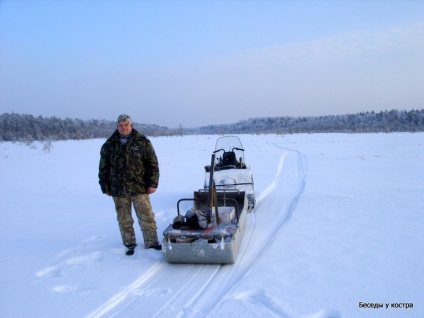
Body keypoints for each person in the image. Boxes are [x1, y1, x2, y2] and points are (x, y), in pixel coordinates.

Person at [98, 114, 162, 255]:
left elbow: (153, 164)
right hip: (118, 189)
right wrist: (105, 186)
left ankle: (151, 242)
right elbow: (103, 168)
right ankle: (129, 243)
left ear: (131, 125)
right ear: (117, 126)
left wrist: (153, 183)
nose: (124, 127)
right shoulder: (109, 145)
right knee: (124, 219)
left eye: (126, 124)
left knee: (147, 216)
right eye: (121, 125)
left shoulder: (143, 142)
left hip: (140, 187)